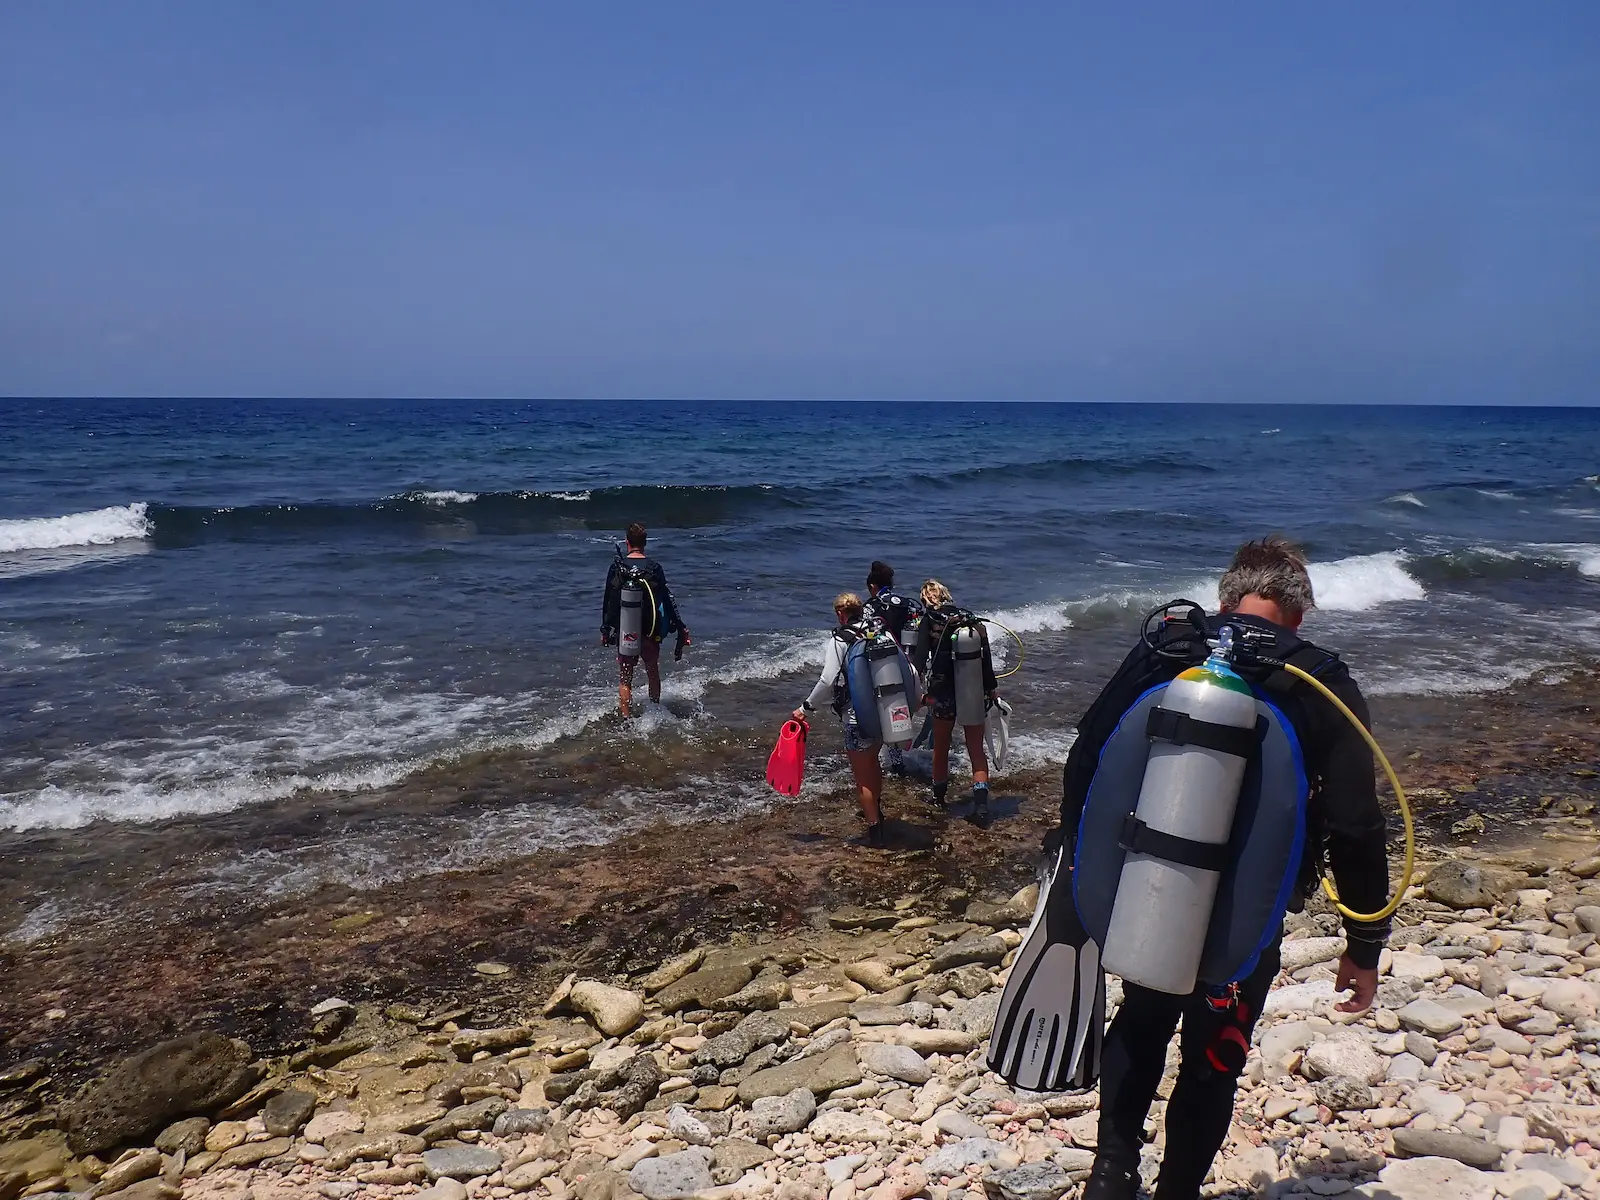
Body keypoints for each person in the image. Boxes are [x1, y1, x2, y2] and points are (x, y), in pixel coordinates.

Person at [1066, 537, 1391, 1200]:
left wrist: (1078, 869)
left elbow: (1089, 758)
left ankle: (1111, 1175)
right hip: (1249, 913)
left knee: (1143, 1017)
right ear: (1300, 612)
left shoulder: (1167, 651)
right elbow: (1356, 824)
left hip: (1153, 885)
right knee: (1215, 1055)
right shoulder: (1319, 680)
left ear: (1225, 596)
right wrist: (1364, 943)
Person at [793, 592, 887, 847]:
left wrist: (805, 708)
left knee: (862, 777)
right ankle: (878, 813)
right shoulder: (879, 632)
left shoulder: (840, 639)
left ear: (839, 613)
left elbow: (827, 679)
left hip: (856, 716)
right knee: (873, 763)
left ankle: (875, 833)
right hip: (883, 712)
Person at [912, 579, 999, 826]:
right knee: (975, 747)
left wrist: (916, 692)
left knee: (941, 746)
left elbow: (919, 661)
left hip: (943, 692)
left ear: (925, 599)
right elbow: (986, 660)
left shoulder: (929, 620)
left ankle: (939, 798)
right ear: (945, 595)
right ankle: (981, 806)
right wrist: (991, 689)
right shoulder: (970, 620)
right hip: (973, 689)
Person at [600, 523, 689, 718]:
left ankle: (626, 719)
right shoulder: (654, 568)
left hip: (626, 630)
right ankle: (655, 714)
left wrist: (605, 629)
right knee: (652, 671)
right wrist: (680, 627)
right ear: (645, 543)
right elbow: (668, 599)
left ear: (627, 542)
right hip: (650, 629)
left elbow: (608, 600)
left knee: (625, 678)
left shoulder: (617, 567)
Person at [862, 560, 924, 778]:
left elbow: (864, 635)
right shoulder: (906, 603)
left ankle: (874, 758)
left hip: (881, 663)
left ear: (872, 586)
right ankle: (897, 761)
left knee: (879, 708)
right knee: (897, 707)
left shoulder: (871, 606)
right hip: (906, 663)